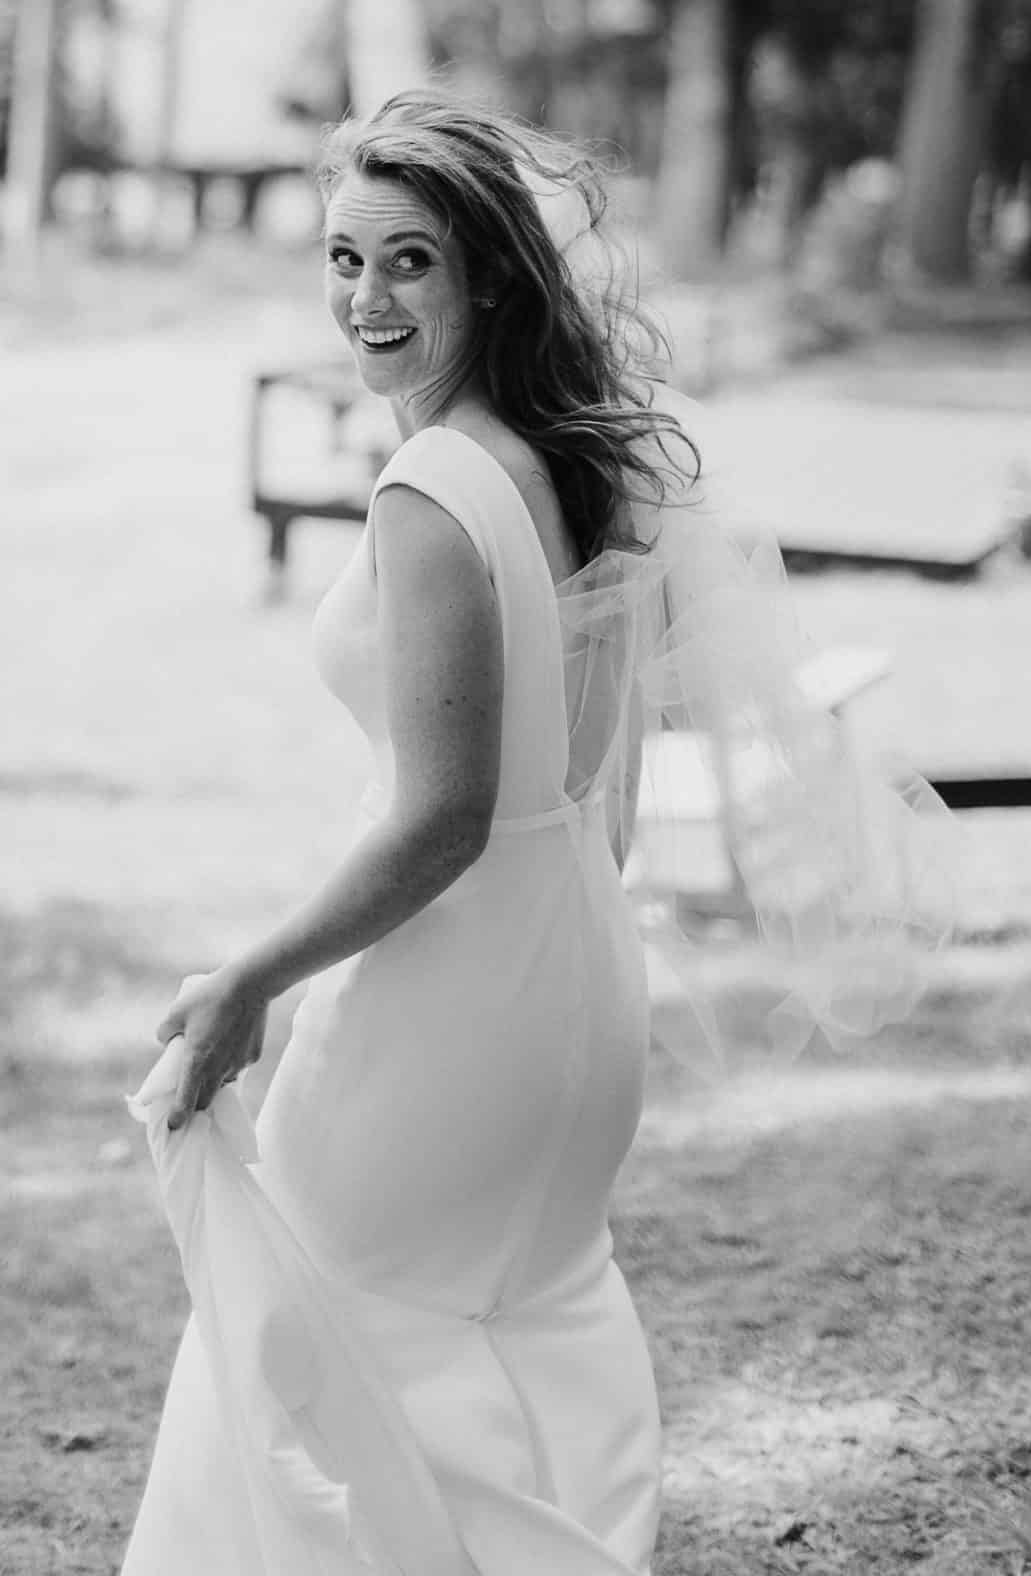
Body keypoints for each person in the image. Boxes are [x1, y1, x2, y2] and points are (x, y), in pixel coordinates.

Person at [121, 90, 946, 1576]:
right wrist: (552, 940)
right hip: (571, 985)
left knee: (319, 1334)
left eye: (412, 262)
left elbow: (441, 823)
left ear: (487, 274)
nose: (367, 299)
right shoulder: (571, 465)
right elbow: (594, 790)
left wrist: (251, 983)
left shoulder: (430, 490)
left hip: (450, 1002)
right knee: (516, 1327)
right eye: (345, 258)